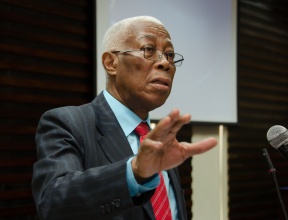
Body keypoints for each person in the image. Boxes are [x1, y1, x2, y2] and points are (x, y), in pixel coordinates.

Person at [32, 16, 217, 220]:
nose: (165, 63)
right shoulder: (67, 123)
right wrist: (135, 172)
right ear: (111, 63)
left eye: (170, 54)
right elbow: (52, 203)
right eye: (148, 50)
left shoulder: (159, 141)